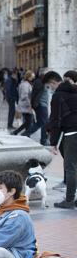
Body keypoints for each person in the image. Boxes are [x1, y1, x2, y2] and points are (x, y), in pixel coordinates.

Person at [44, 70, 77, 209]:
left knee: (70, 167)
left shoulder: (58, 96)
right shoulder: (74, 91)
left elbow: (56, 120)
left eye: (49, 86)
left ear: (53, 82)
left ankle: (69, 200)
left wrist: (53, 143)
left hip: (71, 133)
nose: (50, 89)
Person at [25, 70, 50, 145]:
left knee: (42, 123)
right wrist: (34, 104)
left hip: (41, 105)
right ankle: (26, 134)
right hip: (41, 105)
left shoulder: (40, 82)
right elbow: (35, 95)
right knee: (42, 123)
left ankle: (43, 139)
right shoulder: (40, 83)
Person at [12, 70, 35, 136]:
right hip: (26, 106)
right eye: (32, 76)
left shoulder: (25, 84)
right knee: (29, 122)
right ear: (28, 77)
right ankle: (24, 134)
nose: (33, 78)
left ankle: (21, 133)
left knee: (28, 122)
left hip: (25, 106)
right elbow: (24, 96)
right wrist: (29, 104)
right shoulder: (25, 85)